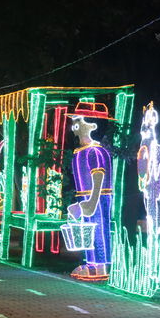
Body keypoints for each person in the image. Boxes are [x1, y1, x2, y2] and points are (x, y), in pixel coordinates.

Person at [65, 103, 114, 281]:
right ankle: (91, 263)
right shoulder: (80, 151)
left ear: (93, 125)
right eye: (74, 120)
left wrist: (92, 202)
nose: (74, 125)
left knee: (99, 229)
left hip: (98, 196)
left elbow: (98, 176)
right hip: (85, 195)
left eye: (79, 120)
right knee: (88, 231)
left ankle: (101, 267)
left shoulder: (96, 151)